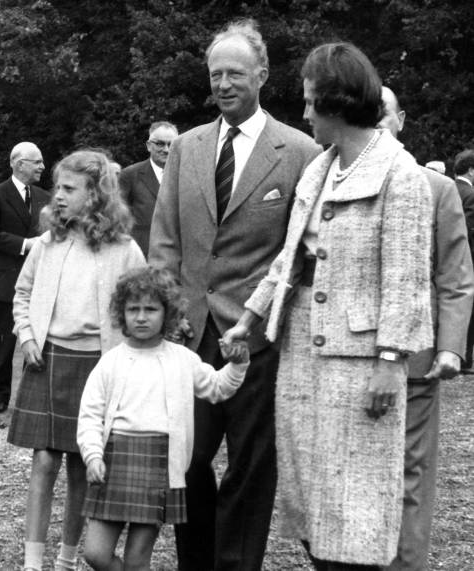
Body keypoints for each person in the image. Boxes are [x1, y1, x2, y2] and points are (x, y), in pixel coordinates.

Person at [223, 42, 434, 570]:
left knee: (358, 507)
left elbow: (407, 278)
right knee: (310, 498)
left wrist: (391, 363)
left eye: (311, 100)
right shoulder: (319, 170)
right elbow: (288, 262)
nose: (304, 112)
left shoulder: (400, 174)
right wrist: (250, 319)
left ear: (337, 102)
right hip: (300, 358)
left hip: (361, 366)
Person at [147, 18, 319, 571]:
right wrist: (166, 309)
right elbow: (165, 239)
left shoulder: (298, 150)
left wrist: (264, 313)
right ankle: (196, 562)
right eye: (215, 73)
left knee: (251, 465)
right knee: (187, 458)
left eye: (235, 73)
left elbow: (300, 253)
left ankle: (237, 564)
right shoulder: (188, 148)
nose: (223, 83)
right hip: (190, 334)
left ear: (262, 75)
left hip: (259, 339)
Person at [8, 149, 147, 571]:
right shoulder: (49, 242)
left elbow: (141, 306)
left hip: (97, 366)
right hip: (47, 360)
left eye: (69, 189)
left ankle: (67, 559)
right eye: (58, 188)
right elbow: (23, 294)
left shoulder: (124, 249)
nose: (59, 197)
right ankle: (33, 564)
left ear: (96, 194)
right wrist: (27, 335)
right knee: (44, 460)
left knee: (80, 466)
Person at [77, 267, 250, 571]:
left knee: (136, 561)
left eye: (151, 309)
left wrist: (238, 364)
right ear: (122, 313)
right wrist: (92, 455)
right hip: (114, 463)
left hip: (158, 466)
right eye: (133, 309)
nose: (141, 317)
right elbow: (89, 415)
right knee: (96, 553)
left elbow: (218, 387)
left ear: (167, 313)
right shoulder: (110, 363)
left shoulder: (182, 359)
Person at [379, 87, 474, 570]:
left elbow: (455, 275)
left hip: (415, 361)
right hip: (342, 358)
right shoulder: (327, 181)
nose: (375, 122)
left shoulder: (437, 190)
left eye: (384, 114)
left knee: (409, 476)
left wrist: (452, 347)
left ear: (401, 121)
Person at [0, 142, 51, 413]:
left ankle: (28, 394)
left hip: (37, 281)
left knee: (34, 337)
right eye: (37, 162)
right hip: (2, 280)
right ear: (19, 163)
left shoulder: (45, 196)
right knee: (1, 340)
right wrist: (26, 244)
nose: (42, 167)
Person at [118, 121, 179, 254]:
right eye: (160, 144)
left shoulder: (187, 175)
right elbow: (118, 217)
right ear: (148, 146)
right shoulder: (130, 175)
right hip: (143, 252)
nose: (166, 150)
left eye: (171, 144)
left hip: (179, 254)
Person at [454, 149, 474, 367]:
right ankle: (465, 356)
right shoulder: (471, 195)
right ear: (470, 171)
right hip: (465, 260)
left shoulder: (448, 188)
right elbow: (466, 232)